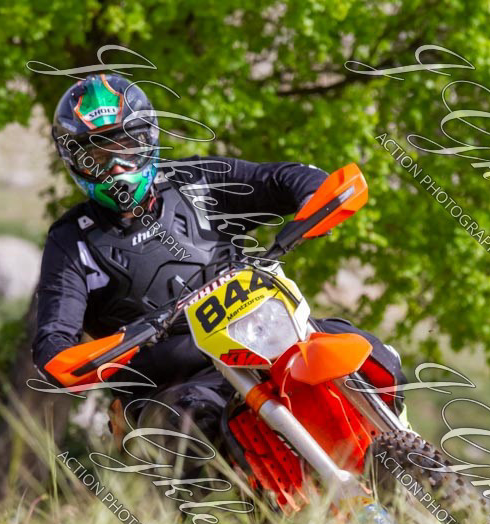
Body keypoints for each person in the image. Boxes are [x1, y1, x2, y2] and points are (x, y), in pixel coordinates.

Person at [32, 73, 405, 468]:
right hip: (173, 379)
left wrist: (311, 199)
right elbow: (54, 348)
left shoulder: (195, 180)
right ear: (75, 163)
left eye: (126, 146)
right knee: (191, 425)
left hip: (265, 335)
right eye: (98, 157)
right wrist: (125, 342)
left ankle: (413, 461)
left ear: (149, 138)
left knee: (374, 356)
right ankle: (248, 503)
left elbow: (279, 178)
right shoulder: (71, 242)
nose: (118, 167)